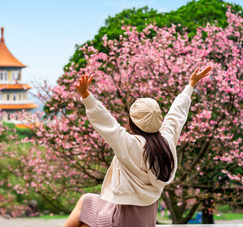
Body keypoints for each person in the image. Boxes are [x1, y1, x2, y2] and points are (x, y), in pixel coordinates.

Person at [63, 66, 212, 227]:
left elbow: (106, 122)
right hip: (146, 221)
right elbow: (177, 115)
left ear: (132, 122)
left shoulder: (130, 144)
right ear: (159, 119)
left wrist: (86, 96)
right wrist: (190, 86)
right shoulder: (167, 142)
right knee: (87, 215)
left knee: (85, 204)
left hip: (121, 221)